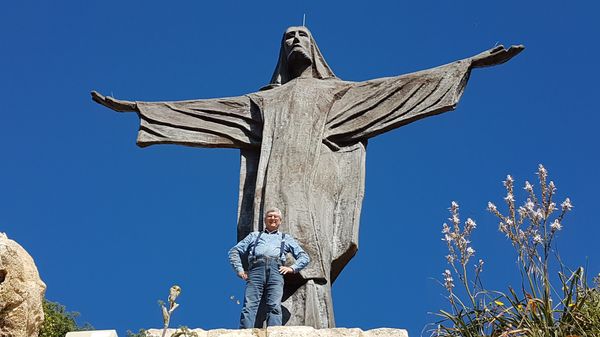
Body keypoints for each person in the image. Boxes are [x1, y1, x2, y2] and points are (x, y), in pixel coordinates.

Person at [92, 26, 523, 328]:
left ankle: (314, 323)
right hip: (272, 187)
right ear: (281, 52)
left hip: (317, 188)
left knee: (309, 253)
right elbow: (208, 113)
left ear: (315, 49)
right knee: (269, 253)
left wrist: (467, 65)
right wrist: (140, 109)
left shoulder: (338, 94)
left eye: (302, 36)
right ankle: (265, 323)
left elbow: (398, 90)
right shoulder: (263, 101)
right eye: (288, 38)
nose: (295, 40)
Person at [228, 208, 309, 328]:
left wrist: (292, 268)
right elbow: (233, 251)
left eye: (276, 217)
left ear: (280, 221)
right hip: (256, 269)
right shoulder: (254, 236)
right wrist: (239, 269)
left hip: (276, 270)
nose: (273, 219)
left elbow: (304, 257)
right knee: (250, 304)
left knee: (274, 305)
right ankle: (245, 332)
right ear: (265, 220)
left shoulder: (285, 238)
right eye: (270, 216)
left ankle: (274, 332)